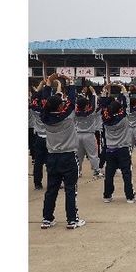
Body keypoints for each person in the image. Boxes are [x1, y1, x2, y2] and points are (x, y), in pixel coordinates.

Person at [40, 77, 85, 231]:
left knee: (51, 190)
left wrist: (48, 85)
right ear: (60, 106)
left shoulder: (44, 118)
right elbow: (72, 101)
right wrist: (71, 83)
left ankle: (47, 219)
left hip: (52, 157)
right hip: (68, 156)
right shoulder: (68, 117)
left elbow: (45, 102)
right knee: (70, 189)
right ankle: (72, 220)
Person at [100, 84, 136, 203]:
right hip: (123, 149)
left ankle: (107, 195)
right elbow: (126, 104)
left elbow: (103, 106)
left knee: (109, 174)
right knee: (126, 173)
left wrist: (104, 92)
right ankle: (130, 196)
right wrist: (123, 88)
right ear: (120, 109)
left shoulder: (105, 119)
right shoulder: (123, 118)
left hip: (110, 149)